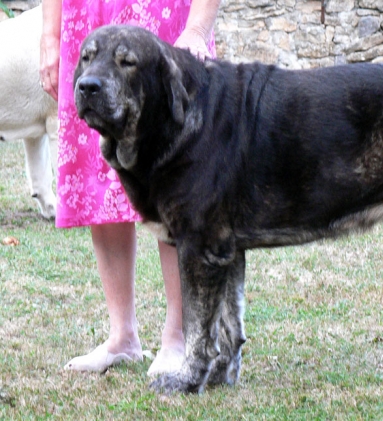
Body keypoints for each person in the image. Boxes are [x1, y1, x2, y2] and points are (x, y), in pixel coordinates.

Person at [40, 0, 221, 375]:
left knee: (178, 184)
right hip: (87, 19)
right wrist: (50, 35)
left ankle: (180, 338)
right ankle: (121, 336)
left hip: (163, 21)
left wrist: (198, 30)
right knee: (95, 178)